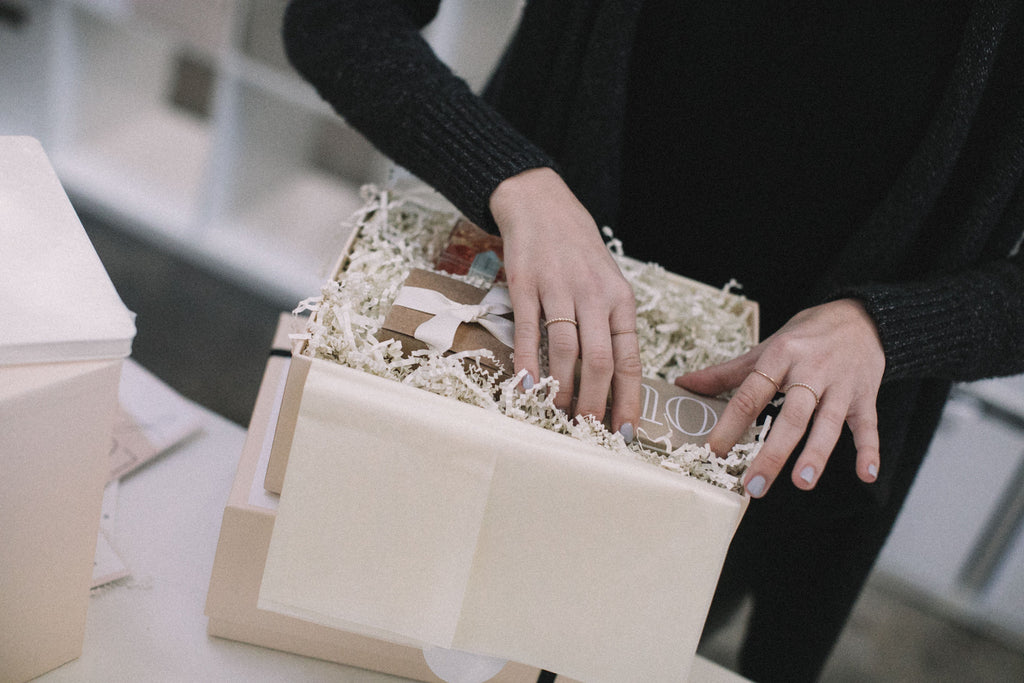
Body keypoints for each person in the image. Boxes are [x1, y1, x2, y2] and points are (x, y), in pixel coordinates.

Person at [282, 1, 1024, 680]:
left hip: (759, 443)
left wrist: (893, 328)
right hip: (496, 345)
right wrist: (511, 179)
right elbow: (335, 20)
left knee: (610, 648)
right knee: (389, 630)